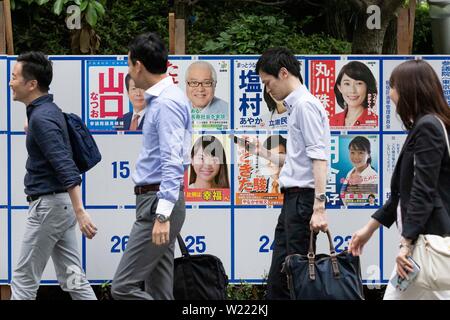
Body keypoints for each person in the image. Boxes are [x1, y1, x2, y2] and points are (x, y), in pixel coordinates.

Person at [349, 59, 450, 300]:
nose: (390, 95)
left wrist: (406, 243)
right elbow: (402, 193)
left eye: (392, 87)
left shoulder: (428, 127)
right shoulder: (428, 125)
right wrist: (369, 229)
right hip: (423, 243)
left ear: (408, 90)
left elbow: (422, 190)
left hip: (426, 244)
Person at [9, 51, 97, 300]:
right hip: (60, 207)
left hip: (49, 207)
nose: (10, 82)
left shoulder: (42, 118)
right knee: (73, 279)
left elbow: (65, 166)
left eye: (14, 77)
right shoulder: (47, 111)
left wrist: (81, 212)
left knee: (24, 280)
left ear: (32, 84)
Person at [111, 32, 192, 300]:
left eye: (128, 64)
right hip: (159, 200)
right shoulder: (165, 99)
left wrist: (161, 216)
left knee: (123, 288)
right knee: (159, 290)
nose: (129, 72)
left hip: (158, 202)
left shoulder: (166, 103)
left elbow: (172, 162)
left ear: (138, 65)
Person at [256, 47, 330, 299]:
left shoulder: (305, 106)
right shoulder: (297, 106)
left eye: (268, 82)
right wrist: (262, 153)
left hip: (303, 200)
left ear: (284, 73)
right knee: (281, 273)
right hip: (293, 200)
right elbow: (299, 159)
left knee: (296, 274)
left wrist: (319, 207)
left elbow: (319, 158)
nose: (268, 89)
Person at [331, 61, 378, 128]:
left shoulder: (376, 122)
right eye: (347, 84)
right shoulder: (332, 121)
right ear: (339, 87)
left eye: (359, 83)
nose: (352, 91)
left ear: (367, 87)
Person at [185, 61, 229, 128]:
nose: (200, 89)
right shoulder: (177, 110)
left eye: (206, 83)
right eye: (194, 82)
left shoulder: (229, 111)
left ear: (214, 84)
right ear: (186, 84)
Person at [340, 136, 378, 206]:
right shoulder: (350, 173)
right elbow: (343, 195)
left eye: (360, 153)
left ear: (369, 155)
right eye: (352, 152)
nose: (356, 157)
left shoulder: (374, 177)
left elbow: (371, 203)